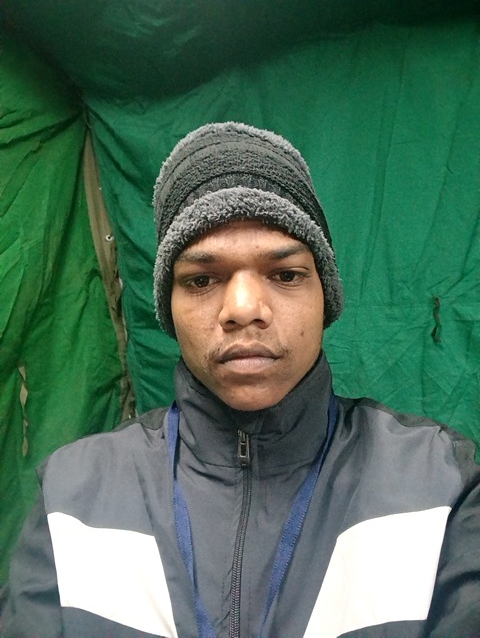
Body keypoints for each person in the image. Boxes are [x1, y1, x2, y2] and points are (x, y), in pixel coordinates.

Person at [1, 122, 479, 638]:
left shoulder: (439, 484)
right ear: (168, 309)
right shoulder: (73, 497)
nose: (244, 308)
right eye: (202, 279)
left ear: (326, 299)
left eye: (286, 274)